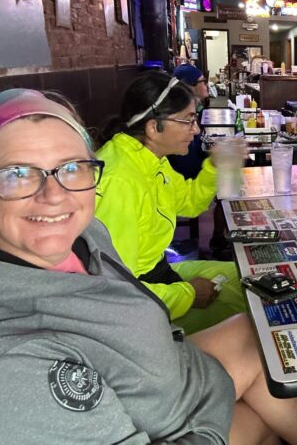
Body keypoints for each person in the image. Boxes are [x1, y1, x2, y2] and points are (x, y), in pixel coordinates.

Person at [0, 88, 297, 444]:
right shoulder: (1, 361)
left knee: (253, 319)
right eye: (17, 174)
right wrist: (223, 407)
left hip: (168, 370)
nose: (54, 196)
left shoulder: (92, 228)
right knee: (259, 343)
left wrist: (214, 166)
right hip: (172, 409)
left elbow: (186, 204)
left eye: (72, 167)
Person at [95, 72, 247, 334]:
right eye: (188, 120)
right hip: (140, 300)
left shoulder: (150, 157)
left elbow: (188, 203)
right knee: (251, 315)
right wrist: (187, 294)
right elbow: (115, 290)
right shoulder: (120, 182)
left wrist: (214, 165)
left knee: (250, 279)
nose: (196, 130)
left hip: (158, 271)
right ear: (154, 127)